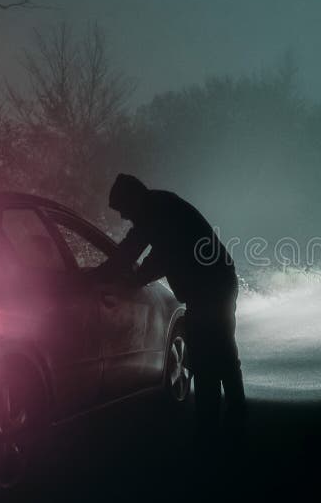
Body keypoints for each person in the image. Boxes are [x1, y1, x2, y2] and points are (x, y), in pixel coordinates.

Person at [97, 174, 245, 438]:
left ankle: (212, 425)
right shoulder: (155, 207)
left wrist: (120, 277)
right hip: (214, 283)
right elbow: (132, 251)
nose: (122, 216)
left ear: (133, 199)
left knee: (210, 352)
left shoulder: (158, 211)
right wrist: (107, 273)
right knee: (217, 352)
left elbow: (158, 256)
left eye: (121, 208)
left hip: (213, 286)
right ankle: (229, 418)